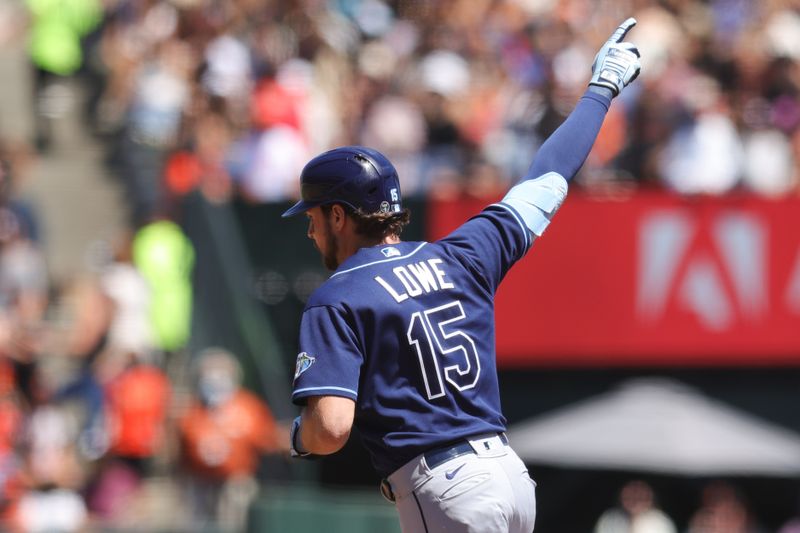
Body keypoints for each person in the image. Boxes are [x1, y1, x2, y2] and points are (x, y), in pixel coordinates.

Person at [282, 18, 642, 533]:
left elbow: (331, 428)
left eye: (314, 218)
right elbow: (550, 177)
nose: (312, 232)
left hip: (445, 488)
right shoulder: (462, 254)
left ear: (339, 215)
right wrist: (601, 90)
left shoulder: (336, 297)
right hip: (510, 478)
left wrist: (298, 436)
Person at [594, 480, 677, 533]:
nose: (635, 501)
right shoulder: (610, 519)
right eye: (630, 496)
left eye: (641, 497)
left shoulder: (660, 521)